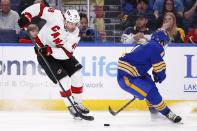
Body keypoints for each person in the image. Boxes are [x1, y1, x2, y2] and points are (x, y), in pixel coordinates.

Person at [18, 3, 91, 119]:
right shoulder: (56, 15)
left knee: (77, 75)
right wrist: (27, 16)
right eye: (71, 23)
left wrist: (50, 51)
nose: (73, 26)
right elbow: (40, 7)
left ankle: (78, 103)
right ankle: (70, 106)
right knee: (64, 79)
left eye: (75, 24)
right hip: (43, 53)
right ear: (65, 20)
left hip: (58, 53)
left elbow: (67, 52)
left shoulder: (76, 32)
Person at [117, 29, 182, 123]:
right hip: (127, 77)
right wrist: (160, 76)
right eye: (165, 43)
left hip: (132, 73)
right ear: (162, 41)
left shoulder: (144, 43)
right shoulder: (157, 47)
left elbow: (143, 60)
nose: (164, 45)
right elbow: (159, 67)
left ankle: (154, 112)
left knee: (149, 84)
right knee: (151, 91)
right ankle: (167, 112)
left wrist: (155, 74)